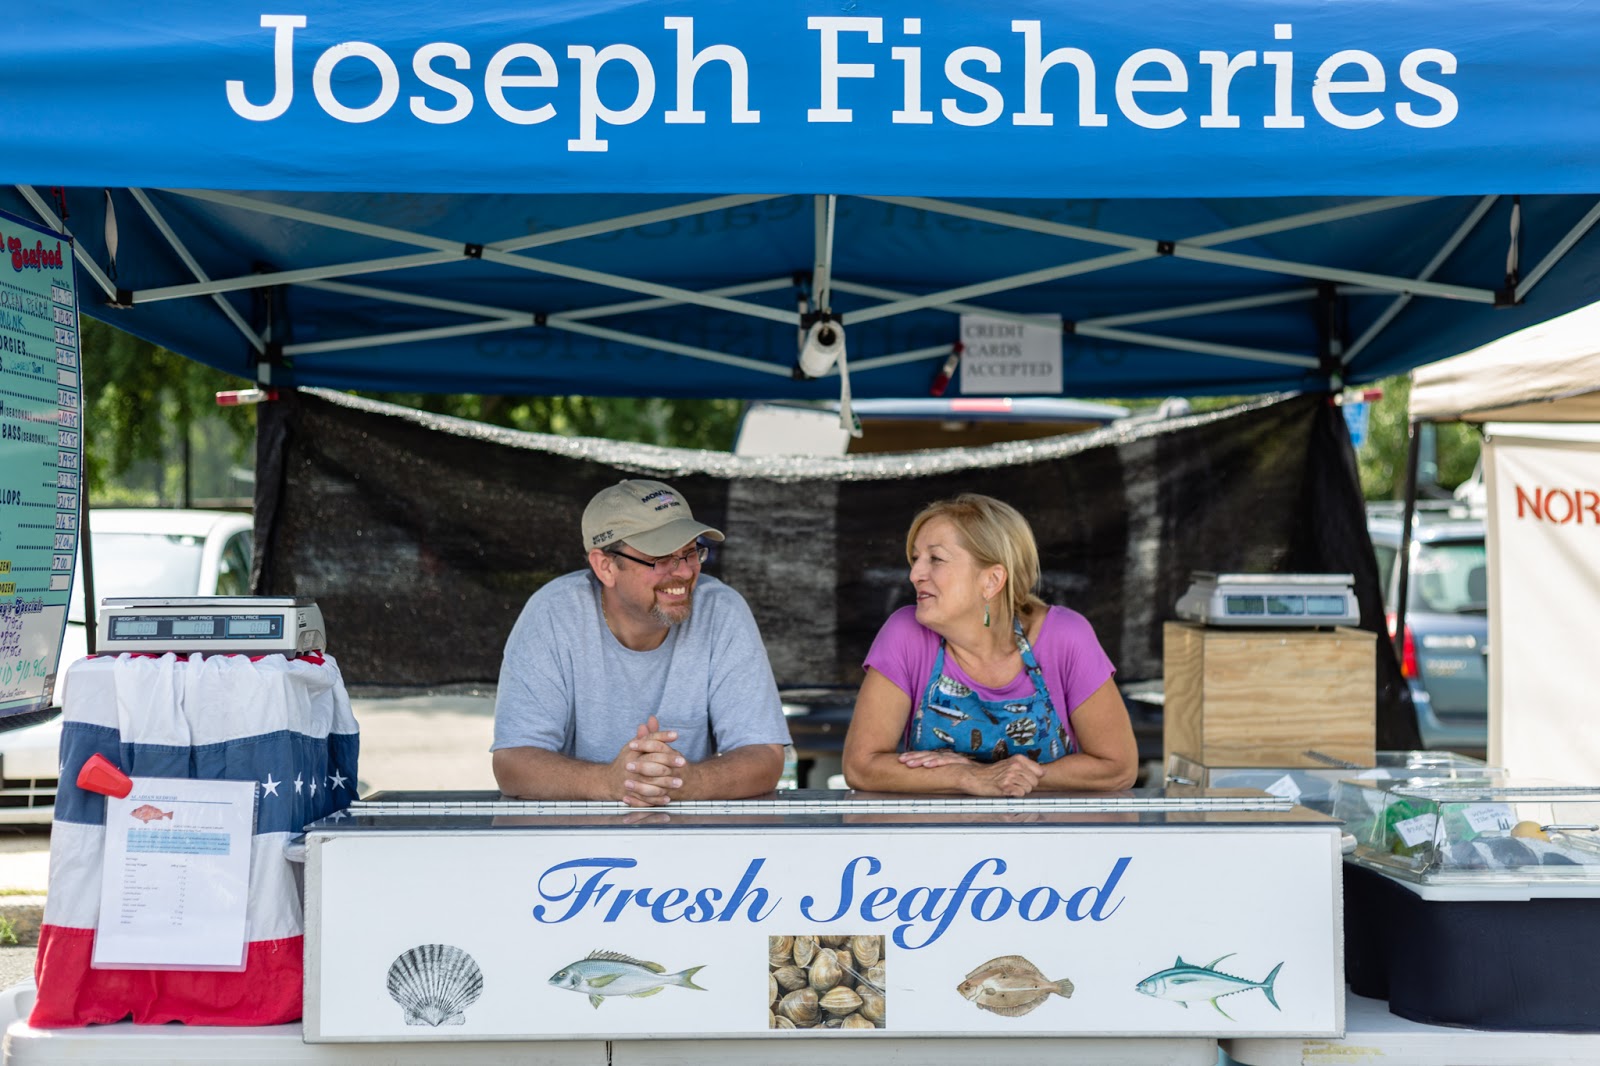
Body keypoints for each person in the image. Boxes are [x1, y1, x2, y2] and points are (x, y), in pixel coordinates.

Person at [492, 478, 790, 806]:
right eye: (661, 557)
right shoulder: (552, 614)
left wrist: (690, 781)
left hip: (694, 837)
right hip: (572, 842)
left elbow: (766, 756)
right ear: (605, 566)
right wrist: (610, 782)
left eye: (690, 553)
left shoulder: (722, 609)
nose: (684, 572)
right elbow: (512, 764)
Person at [842, 493, 1138, 797]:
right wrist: (967, 776)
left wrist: (1009, 777)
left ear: (992, 580)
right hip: (935, 841)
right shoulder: (905, 634)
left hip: (1050, 838)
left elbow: (1118, 768)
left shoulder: (1065, 637)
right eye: (915, 559)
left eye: (936, 559)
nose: (915, 574)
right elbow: (861, 767)